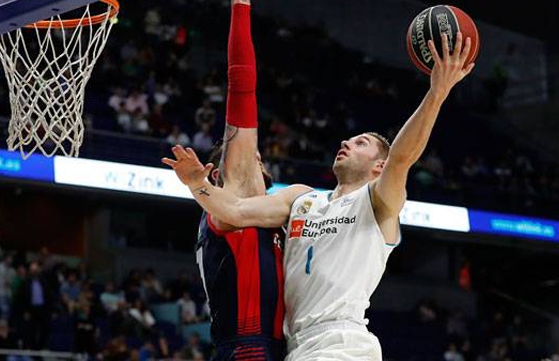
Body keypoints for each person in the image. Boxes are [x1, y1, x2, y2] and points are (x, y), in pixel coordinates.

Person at [164, 31, 475, 360]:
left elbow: (402, 157)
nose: (346, 143)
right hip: (296, 346)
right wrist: (198, 184)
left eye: (360, 143)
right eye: (348, 140)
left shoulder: (378, 202)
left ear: (378, 167)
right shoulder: (302, 198)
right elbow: (235, 211)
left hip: (341, 341)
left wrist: (437, 93)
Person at [192, 0, 284, 360]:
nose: (255, 157)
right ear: (217, 175)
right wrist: (241, 1)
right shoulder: (237, 194)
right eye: (249, 155)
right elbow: (241, 86)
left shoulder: (250, 213)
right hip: (251, 349)